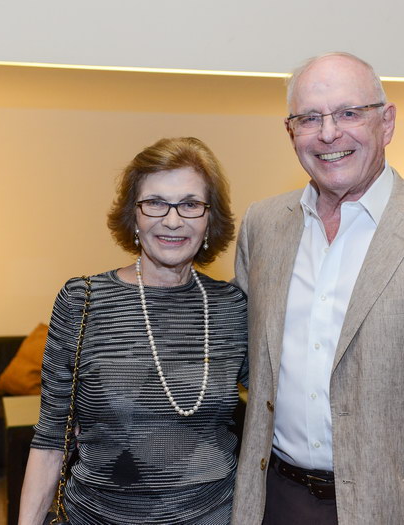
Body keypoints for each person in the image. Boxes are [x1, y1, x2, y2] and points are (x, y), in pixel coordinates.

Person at [231, 52, 404, 524]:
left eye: (349, 113)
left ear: (387, 122)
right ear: (290, 132)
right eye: (309, 118)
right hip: (273, 501)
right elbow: (241, 362)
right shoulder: (263, 225)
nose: (328, 134)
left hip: (396, 511)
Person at [19, 137, 248, 525]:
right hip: (95, 517)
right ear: (133, 216)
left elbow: (277, 406)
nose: (172, 220)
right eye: (155, 203)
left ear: (210, 219)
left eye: (190, 204)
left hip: (213, 516)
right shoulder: (82, 300)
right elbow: (51, 439)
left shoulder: (232, 306)